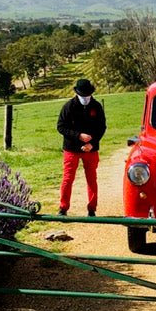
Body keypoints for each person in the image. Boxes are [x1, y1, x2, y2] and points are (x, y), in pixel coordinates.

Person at [56, 78, 106, 217]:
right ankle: (63, 208)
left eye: (87, 95)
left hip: (91, 149)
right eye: (83, 95)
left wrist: (92, 143)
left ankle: (92, 208)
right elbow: (61, 127)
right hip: (71, 149)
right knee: (68, 178)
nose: (85, 98)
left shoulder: (96, 106)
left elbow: (101, 127)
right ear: (77, 93)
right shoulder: (68, 107)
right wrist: (78, 136)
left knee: (91, 179)